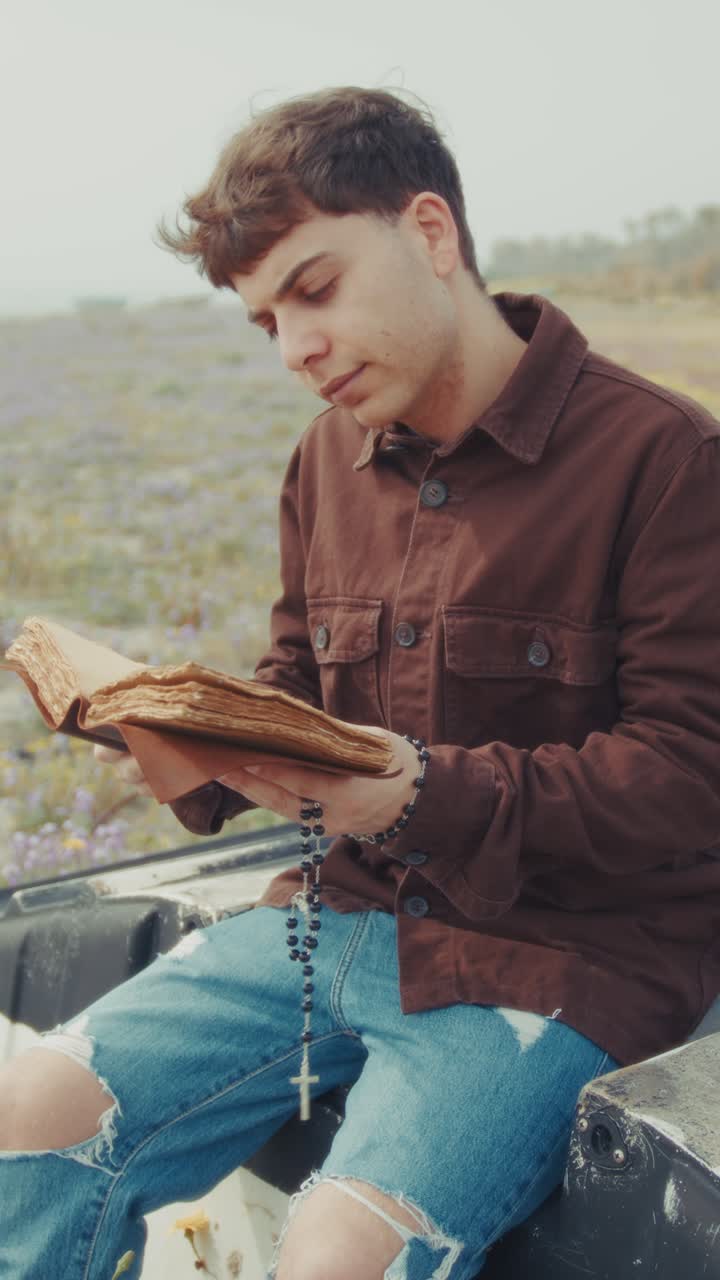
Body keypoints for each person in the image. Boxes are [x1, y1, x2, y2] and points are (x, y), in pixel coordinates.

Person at [1, 85, 720, 1280]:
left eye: (316, 289)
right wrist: (193, 744)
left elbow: (691, 774)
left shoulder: (666, 461)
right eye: (265, 320)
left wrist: (420, 791)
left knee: (338, 1248)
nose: (297, 350)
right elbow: (295, 681)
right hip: (332, 916)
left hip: (564, 955)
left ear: (431, 233)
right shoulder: (323, 461)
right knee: (31, 1111)